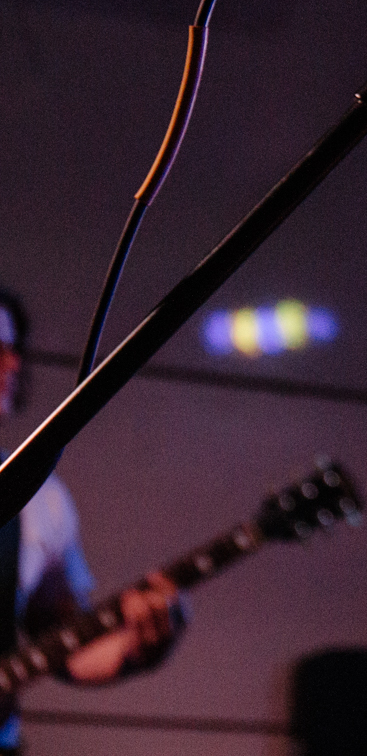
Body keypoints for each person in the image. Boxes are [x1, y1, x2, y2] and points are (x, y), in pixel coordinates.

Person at [0, 289, 184, 753]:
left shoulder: (38, 497)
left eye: (12, 349)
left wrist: (135, 645)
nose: (11, 364)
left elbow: (60, 643)